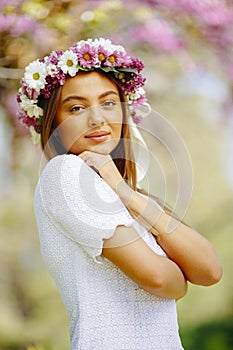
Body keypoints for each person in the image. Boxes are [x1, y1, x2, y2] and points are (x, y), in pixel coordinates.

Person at [17, 38, 222, 350]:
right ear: (53, 121)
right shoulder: (66, 174)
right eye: (76, 107)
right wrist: (180, 279)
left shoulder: (123, 193)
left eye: (108, 102)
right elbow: (158, 279)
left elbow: (209, 270)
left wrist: (125, 191)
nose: (97, 119)